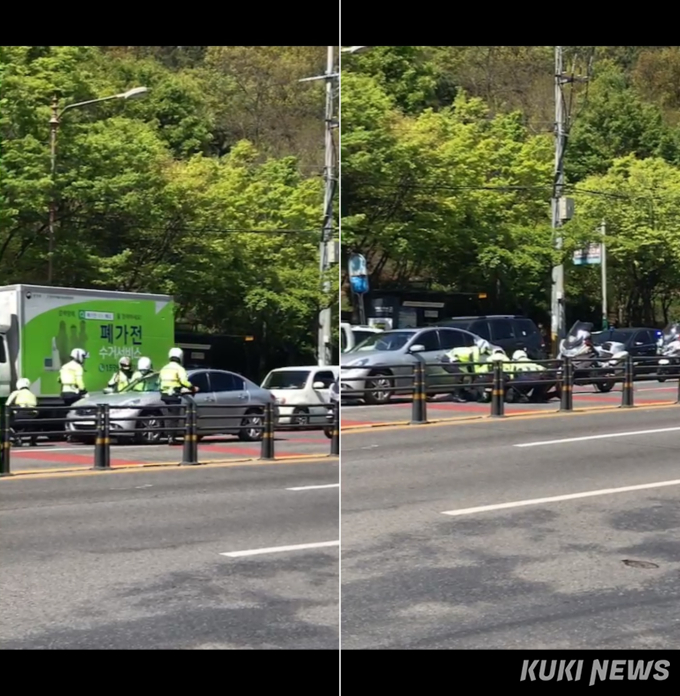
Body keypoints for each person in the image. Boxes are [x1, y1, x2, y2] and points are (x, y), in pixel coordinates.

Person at [159, 348, 197, 444]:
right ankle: (172, 438)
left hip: (164, 395)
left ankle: (168, 436)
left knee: (168, 417)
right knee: (174, 417)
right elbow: (184, 381)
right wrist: (192, 388)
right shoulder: (179, 369)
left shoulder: (164, 368)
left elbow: (159, 381)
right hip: (174, 395)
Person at [6, 378, 38, 446]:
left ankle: (17, 439)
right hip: (32, 416)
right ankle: (33, 441)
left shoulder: (16, 392)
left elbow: (7, 405)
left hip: (20, 414)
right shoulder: (32, 394)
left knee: (6, 424)